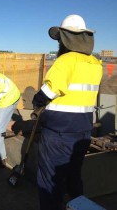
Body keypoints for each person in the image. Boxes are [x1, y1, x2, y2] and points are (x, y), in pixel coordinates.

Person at [32, 14, 103, 210]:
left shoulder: (65, 61)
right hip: (83, 130)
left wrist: (37, 99)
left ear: (65, 39)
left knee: (50, 179)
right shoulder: (95, 63)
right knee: (73, 175)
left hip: (58, 131)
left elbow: (50, 90)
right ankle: (77, 205)